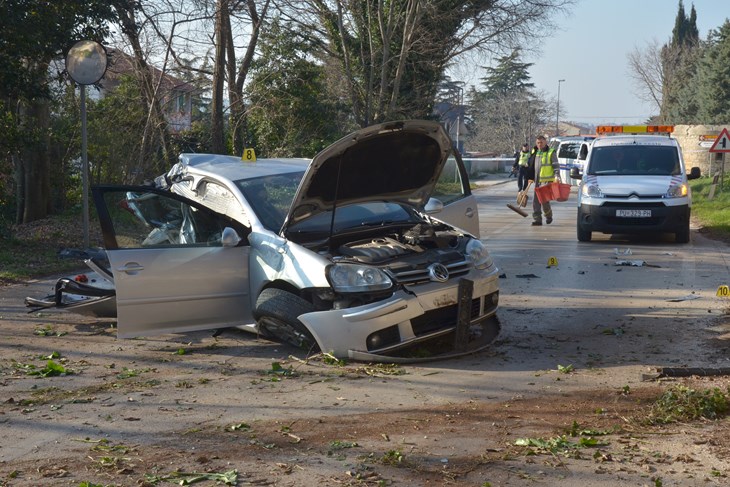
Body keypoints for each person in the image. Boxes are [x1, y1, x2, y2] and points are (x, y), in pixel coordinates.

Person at [526, 135, 560, 226]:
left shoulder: (551, 152)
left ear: (545, 142)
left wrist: (557, 176)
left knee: (544, 200)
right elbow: (531, 164)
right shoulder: (535, 151)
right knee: (535, 200)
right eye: (538, 143)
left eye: (541, 142)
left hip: (546, 181)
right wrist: (529, 176)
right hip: (537, 180)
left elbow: (556, 166)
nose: (539, 144)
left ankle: (548, 216)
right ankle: (537, 220)